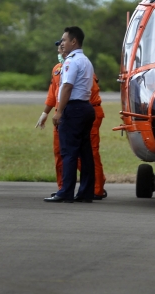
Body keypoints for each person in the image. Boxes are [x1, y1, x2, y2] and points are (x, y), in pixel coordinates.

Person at [36, 43, 107, 200]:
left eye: (62, 47)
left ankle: (95, 188)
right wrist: (46, 112)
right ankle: (63, 187)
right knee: (62, 151)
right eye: (59, 48)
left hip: (81, 109)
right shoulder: (57, 70)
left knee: (87, 152)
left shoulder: (79, 66)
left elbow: (80, 90)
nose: (60, 51)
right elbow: (54, 93)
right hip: (65, 111)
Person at [44, 26, 96, 203]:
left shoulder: (71, 61)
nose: (62, 43)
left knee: (68, 152)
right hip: (86, 108)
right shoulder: (86, 60)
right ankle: (86, 192)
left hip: (73, 109)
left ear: (74, 41)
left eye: (64, 40)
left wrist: (59, 112)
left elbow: (67, 86)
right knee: (85, 152)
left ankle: (65, 191)